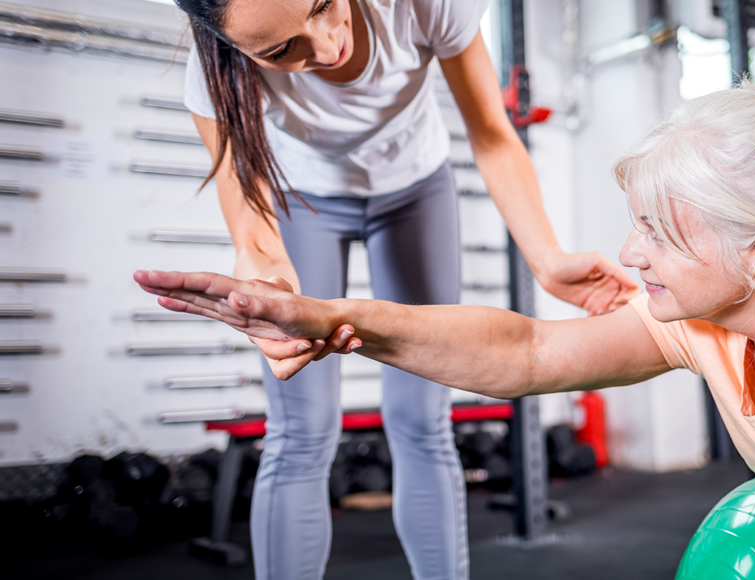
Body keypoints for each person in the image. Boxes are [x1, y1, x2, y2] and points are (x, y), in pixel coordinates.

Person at [137, 45, 755, 580]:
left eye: (659, 233)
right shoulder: (708, 320)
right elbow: (527, 355)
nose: (629, 256)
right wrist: (333, 323)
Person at [172, 0, 638, 578]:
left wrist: (547, 259)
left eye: (322, 6)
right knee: (300, 429)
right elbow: (251, 226)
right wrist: (266, 279)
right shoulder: (213, 59)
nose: (324, 45)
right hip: (304, 198)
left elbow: (492, 134)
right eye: (280, 50)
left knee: (422, 419)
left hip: (415, 191)